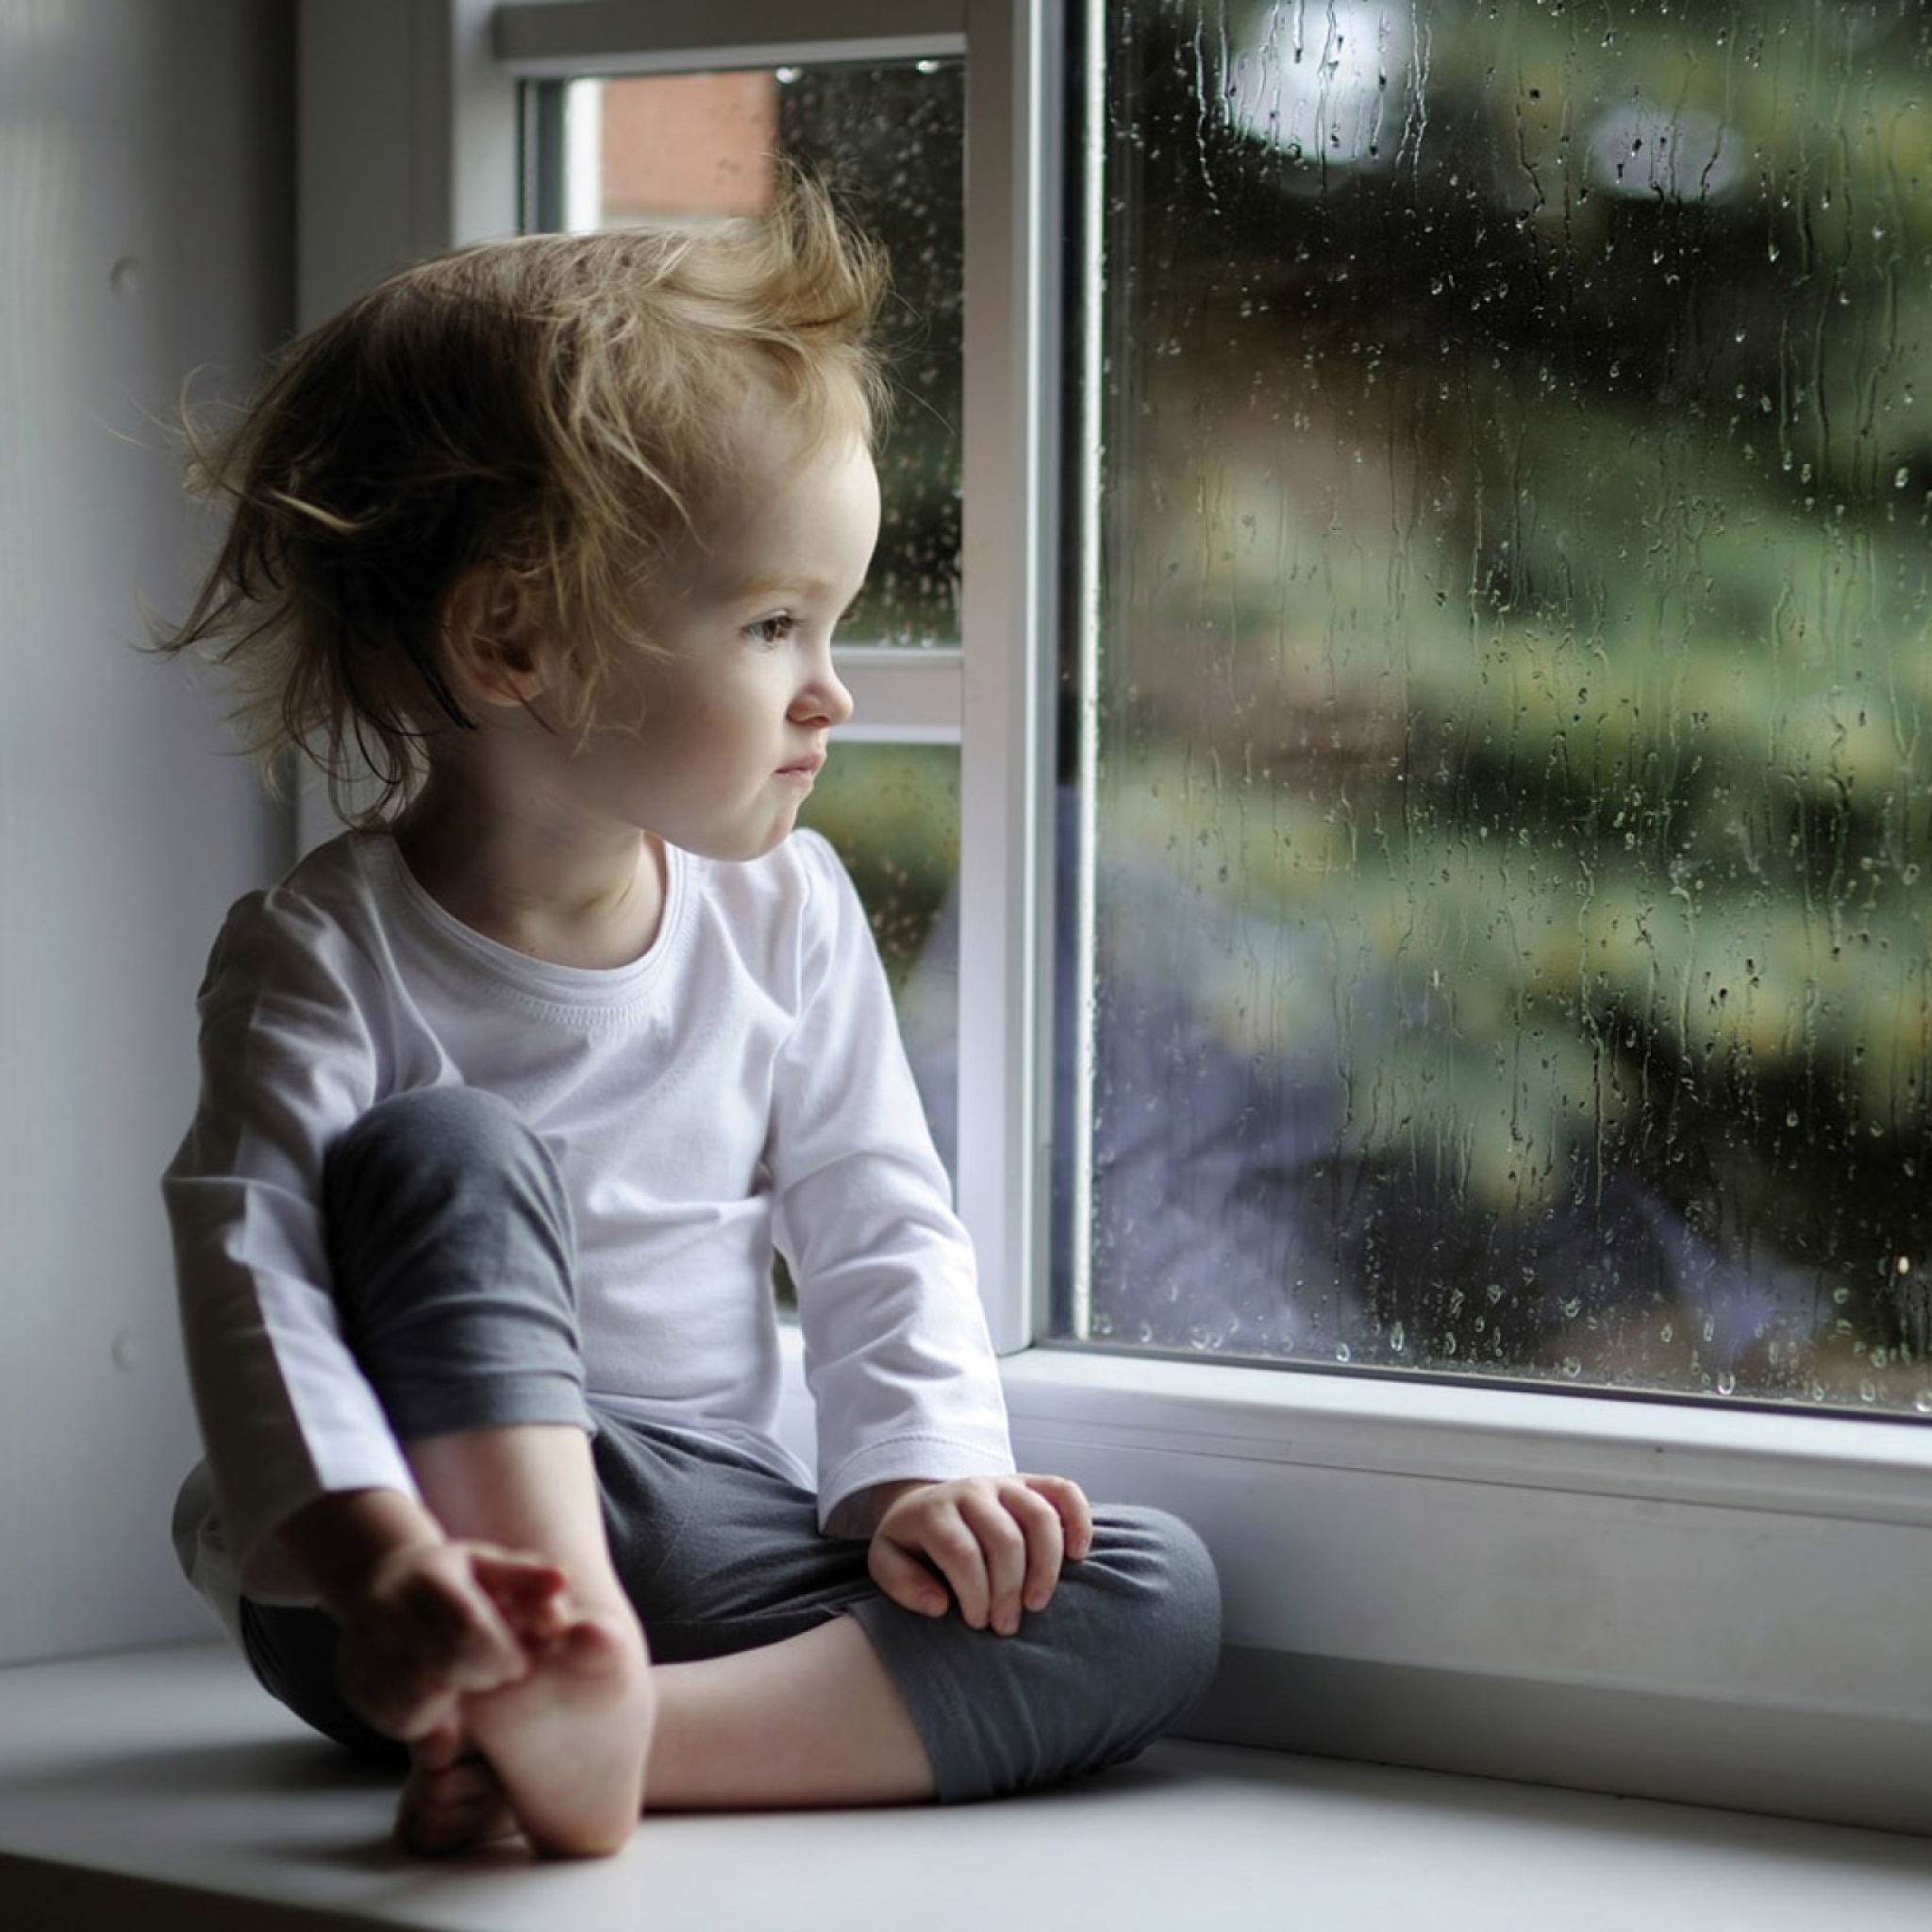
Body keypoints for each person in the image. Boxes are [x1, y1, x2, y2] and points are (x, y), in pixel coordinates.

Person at [155, 175, 1220, 1860]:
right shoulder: (322, 953)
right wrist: (381, 1564)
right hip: (407, 1559)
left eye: (837, 624)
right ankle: (526, 1664)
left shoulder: (784, 914)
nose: (833, 691)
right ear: (515, 636)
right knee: (446, 1149)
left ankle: (607, 1735)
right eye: (772, 624)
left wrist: (919, 1476)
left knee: (1146, 1591)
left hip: (698, 1525)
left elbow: (879, 1216)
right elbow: (252, 1273)